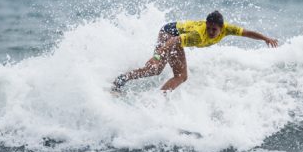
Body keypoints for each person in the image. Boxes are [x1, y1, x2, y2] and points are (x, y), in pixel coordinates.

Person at [112, 10, 278, 92]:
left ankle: (128, 82)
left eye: (215, 29)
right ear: (206, 25)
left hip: (173, 34)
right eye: (209, 28)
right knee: (170, 73)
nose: (212, 32)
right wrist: (156, 56)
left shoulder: (227, 29)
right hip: (170, 33)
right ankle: (151, 95)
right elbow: (173, 41)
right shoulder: (198, 35)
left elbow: (247, 33)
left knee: (167, 73)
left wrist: (266, 38)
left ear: (221, 28)